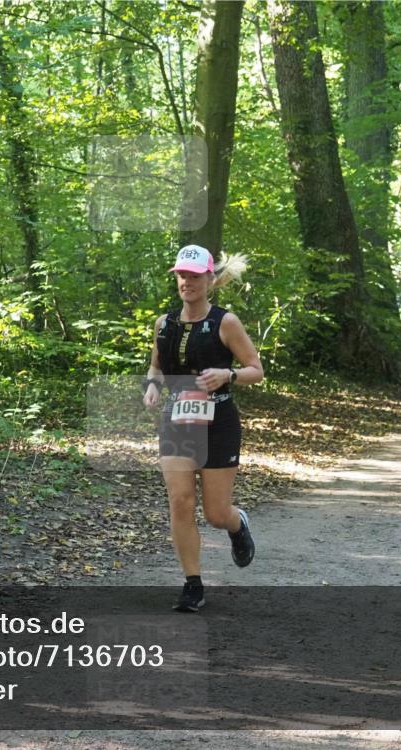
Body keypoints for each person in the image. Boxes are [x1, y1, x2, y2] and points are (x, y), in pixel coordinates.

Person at [142, 244, 264, 611]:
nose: (187, 282)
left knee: (214, 513)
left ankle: (236, 524)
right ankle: (192, 584)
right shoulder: (164, 324)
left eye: (194, 276)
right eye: (182, 275)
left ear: (210, 279)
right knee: (180, 501)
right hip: (178, 421)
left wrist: (228, 374)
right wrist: (152, 386)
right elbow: (156, 367)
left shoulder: (226, 323)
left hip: (218, 423)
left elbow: (256, 370)